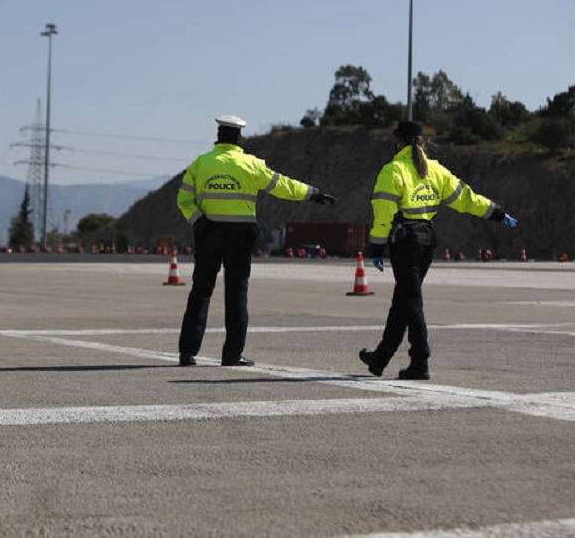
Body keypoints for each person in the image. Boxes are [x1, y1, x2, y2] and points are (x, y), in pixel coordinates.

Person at [359, 120, 517, 380]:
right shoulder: (436, 170)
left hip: (404, 242)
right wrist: (496, 212)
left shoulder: (393, 170)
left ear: (398, 142)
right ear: (422, 142)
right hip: (426, 242)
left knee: (411, 302)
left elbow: (384, 215)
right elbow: (466, 198)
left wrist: (376, 247)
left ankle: (420, 361)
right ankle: (380, 357)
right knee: (402, 302)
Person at [177, 114, 336, 367]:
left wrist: (198, 220)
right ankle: (231, 355)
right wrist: (312, 194)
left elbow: (183, 200)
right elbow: (282, 185)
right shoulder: (251, 164)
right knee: (236, 294)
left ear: (218, 136)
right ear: (239, 138)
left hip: (208, 235)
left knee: (201, 292)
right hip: (239, 237)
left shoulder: (200, 164)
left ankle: (187, 352)